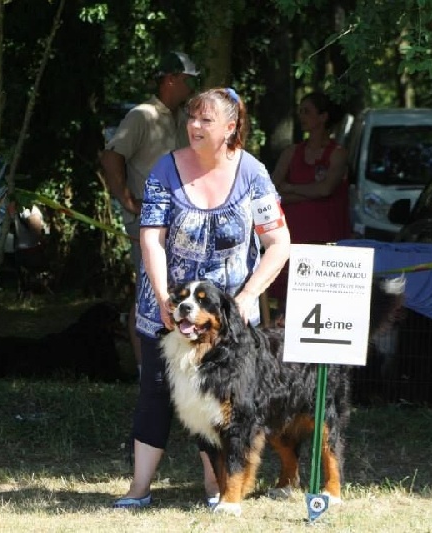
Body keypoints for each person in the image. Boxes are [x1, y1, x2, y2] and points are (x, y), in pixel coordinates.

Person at [112, 87, 291, 509]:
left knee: (224, 401)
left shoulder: (253, 173)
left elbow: (279, 242)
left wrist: (248, 296)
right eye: (192, 117)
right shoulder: (164, 169)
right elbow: (151, 239)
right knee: (155, 391)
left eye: (205, 120)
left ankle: (219, 485)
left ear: (230, 128)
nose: (194, 125)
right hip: (168, 303)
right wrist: (162, 298)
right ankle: (139, 489)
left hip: (227, 318)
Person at [100, 51, 199, 376]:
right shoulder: (141, 116)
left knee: (178, 290)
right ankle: (146, 370)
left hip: (180, 221)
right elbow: (111, 157)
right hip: (148, 222)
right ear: (171, 79)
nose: (191, 88)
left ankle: (174, 367)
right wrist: (128, 201)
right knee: (147, 290)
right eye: (187, 80)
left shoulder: (183, 117)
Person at [268, 92, 350, 314]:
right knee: (287, 300)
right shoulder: (291, 152)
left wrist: (292, 188)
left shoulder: (338, 154)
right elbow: (273, 192)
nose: (301, 116)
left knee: (325, 300)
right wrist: (310, 192)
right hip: (293, 237)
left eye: (307, 111)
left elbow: (326, 189)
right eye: (300, 110)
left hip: (327, 239)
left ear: (323, 117)